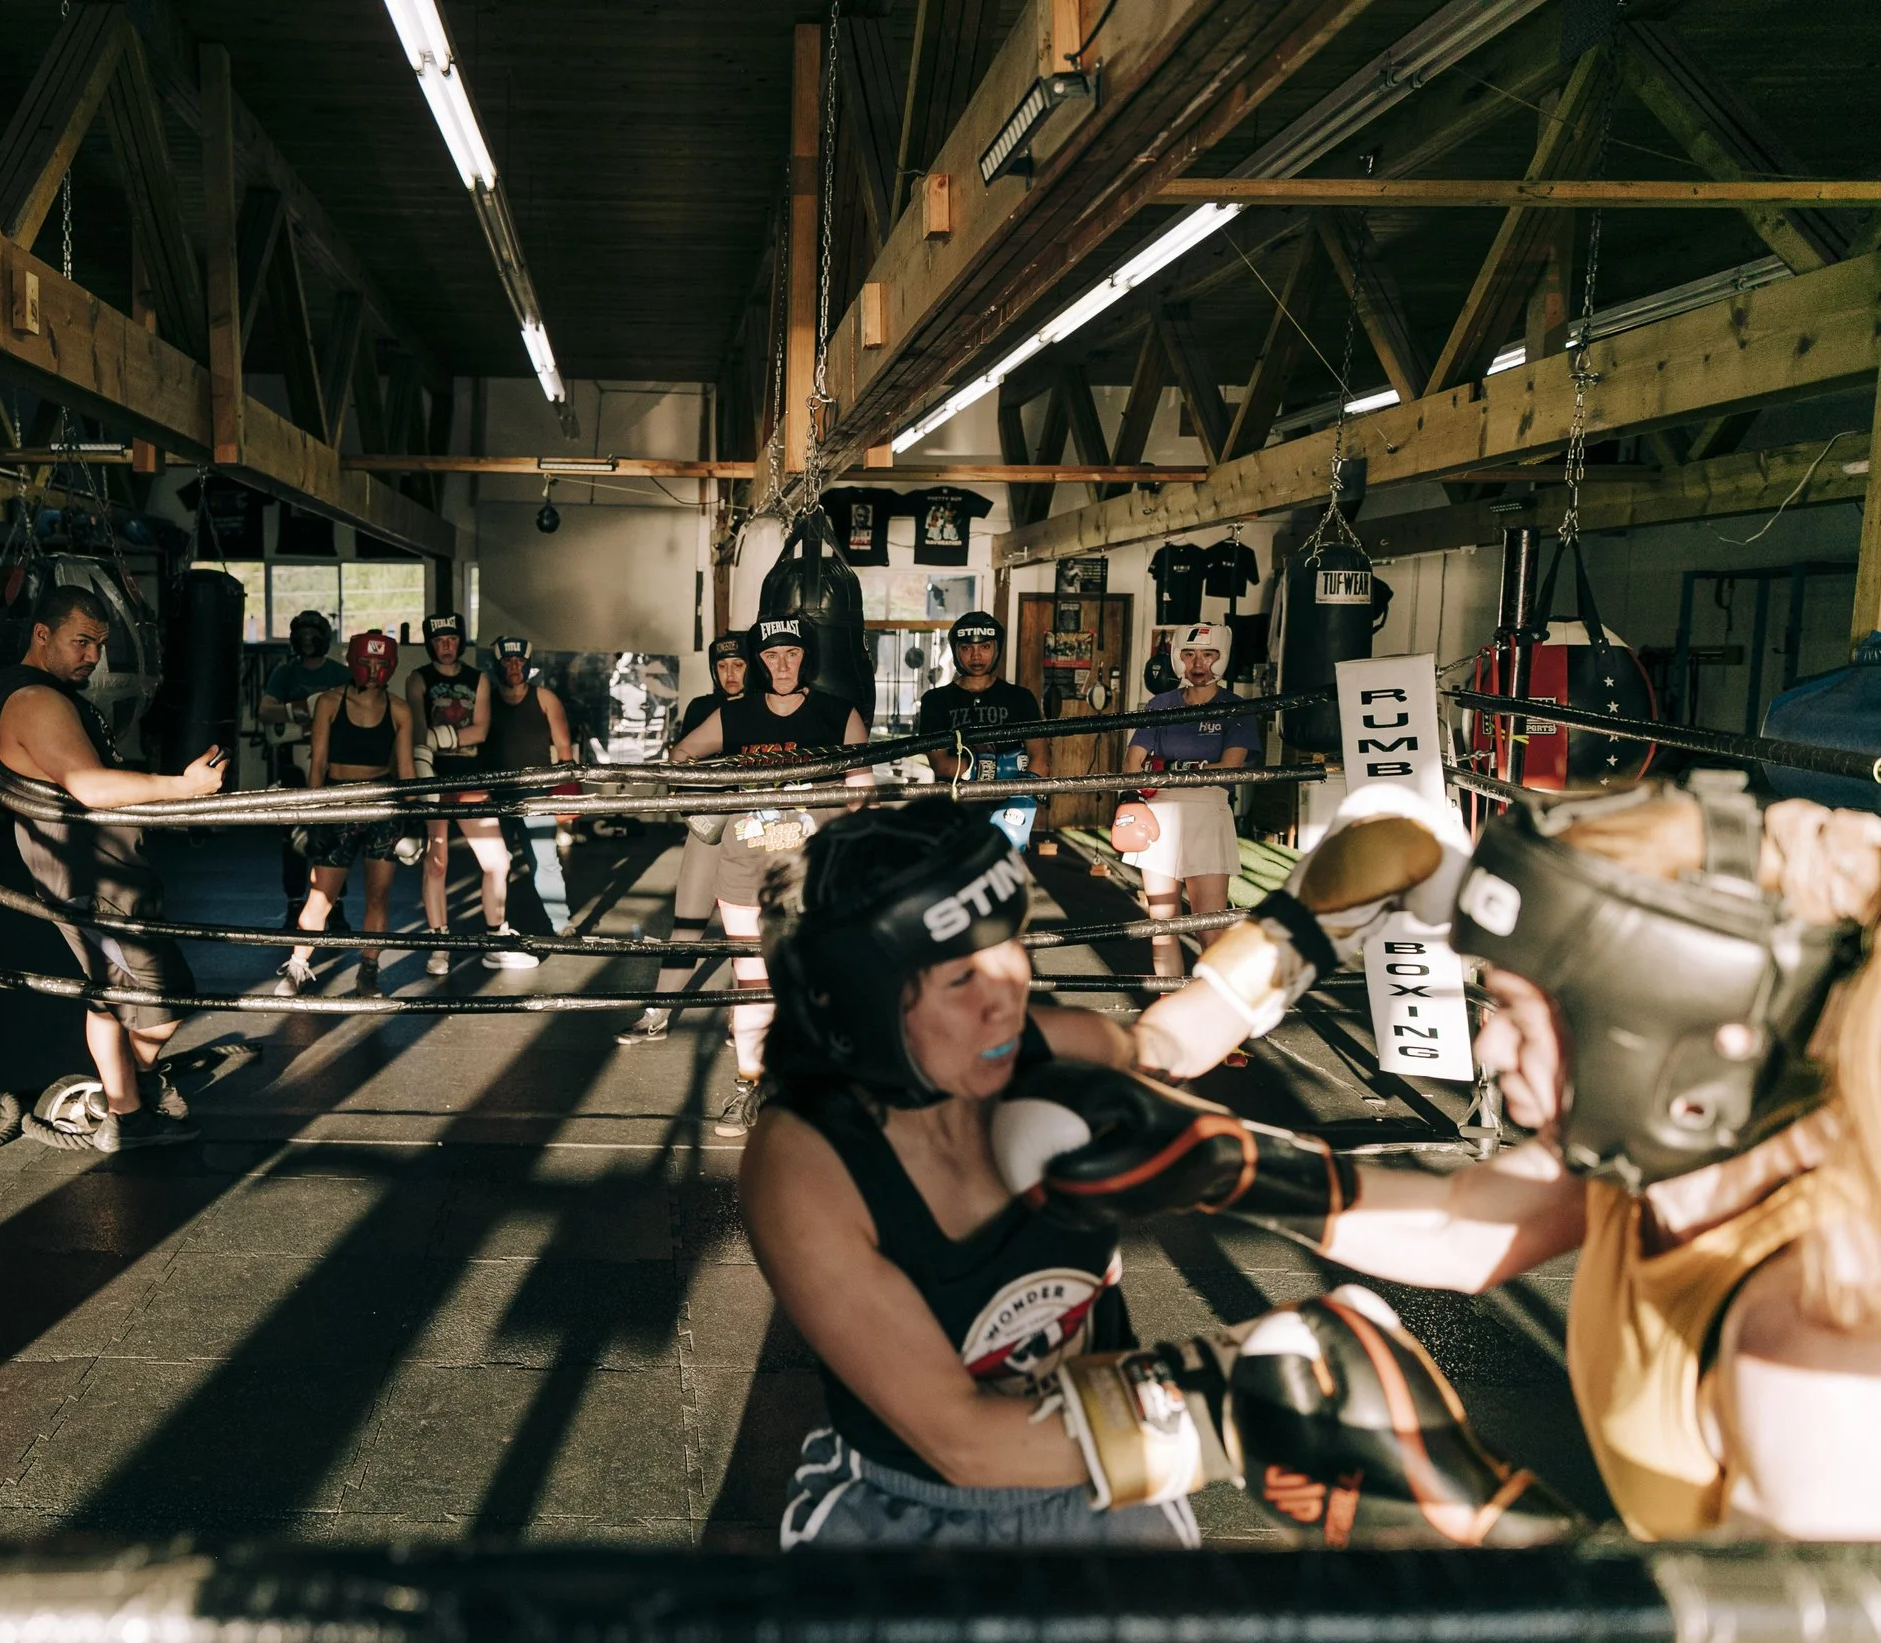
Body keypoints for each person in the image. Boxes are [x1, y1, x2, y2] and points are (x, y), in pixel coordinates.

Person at [1015, 772, 1881, 1542]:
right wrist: (1218, 1158)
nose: (1491, 1044)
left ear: (1660, 1034)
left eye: (1517, 1009)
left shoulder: (1811, 1352)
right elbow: (1461, 1227)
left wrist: (1478, 1516)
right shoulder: (1666, 1166)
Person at [739, 798, 1198, 1548]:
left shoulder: (1034, 1047)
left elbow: (1163, 1043)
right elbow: (965, 1438)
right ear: (865, 1004)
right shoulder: (806, 1161)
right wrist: (1239, 1418)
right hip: (904, 1514)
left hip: (1113, 1483)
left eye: (1011, 940)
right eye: (960, 976)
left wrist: (1309, 927)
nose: (1010, 990)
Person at [0, 585, 226, 1151]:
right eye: (80, 642)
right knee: (161, 1006)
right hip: (92, 881)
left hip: (104, 872)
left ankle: (124, 1103)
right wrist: (183, 788)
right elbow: (90, 786)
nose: (92, 656)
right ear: (40, 635)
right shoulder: (36, 701)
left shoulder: (47, 693)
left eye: (98, 645)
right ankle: (126, 1103)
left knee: (112, 993)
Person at [665, 618, 871, 1136]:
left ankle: (816, 1089)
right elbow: (680, 756)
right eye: (771, 656)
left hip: (810, 875)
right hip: (743, 871)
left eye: (791, 654)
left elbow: (861, 789)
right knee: (753, 985)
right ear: (759, 662)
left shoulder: (837, 714)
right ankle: (748, 1088)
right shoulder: (735, 714)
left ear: (807, 657)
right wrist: (710, 803)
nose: (781, 665)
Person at [619, 635, 750, 1044]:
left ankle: (742, 1017)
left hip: (753, 825)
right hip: (709, 825)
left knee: (744, 928)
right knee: (687, 921)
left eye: (739, 665)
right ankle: (657, 1012)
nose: (730, 674)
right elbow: (683, 763)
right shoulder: (700, 708)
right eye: (723, 666)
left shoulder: (765, 709)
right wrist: (692, 809)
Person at [276, 630, 416, 998]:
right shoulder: (329, 702)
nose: (373, 670)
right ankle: (297, 967)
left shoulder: (400, 709)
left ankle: (368, 972)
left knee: (378, 895)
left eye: (381, 663)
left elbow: (406, 771)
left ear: (391, 667)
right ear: (354, 663)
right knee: (321, 896)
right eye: (366, 662)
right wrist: (314, 815)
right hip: (338, 802)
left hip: (382, 801)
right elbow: (318, 763)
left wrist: (415, 820)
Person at [1121, 622, 1257, 980]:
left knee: (1209, 927)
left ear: (1222, 657)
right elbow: (1132, 763)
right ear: (1177, 658)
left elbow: (1229, 769)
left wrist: (1166, 766)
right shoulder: (1160, 704)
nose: (1199, 664)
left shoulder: (1235, 707)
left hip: (1209, 811)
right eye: (1190, 654)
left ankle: (1212, 1010)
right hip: (1161, 810)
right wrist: (1180, 771)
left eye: (1209, 654)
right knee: (1161, 925)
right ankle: (1169, 1003)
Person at [450, 636, 573, 966]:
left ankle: (561, 926)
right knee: (496, 863)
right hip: (494, 793)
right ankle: (496, 930)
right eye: (507, 662)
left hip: (536, 793)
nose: (514, 667)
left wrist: (564, 793)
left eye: (519, 661)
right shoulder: (486, 699)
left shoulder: (544, 698)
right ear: (498, 665)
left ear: (528, 664)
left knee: (544, 859)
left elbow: (564, 748)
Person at [405, 613, 511, 976]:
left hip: (470, 781)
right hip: (433, 779)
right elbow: (418, 729)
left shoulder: (477, 679)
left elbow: (480, 731)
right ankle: (440, 944)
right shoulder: (418, 678)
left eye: (451, 639)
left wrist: (436, 738)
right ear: (430, 643)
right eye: (439, 640)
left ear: (460, 640)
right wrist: (426, 752)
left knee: (498, 861)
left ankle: (496, 937)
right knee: (436, 864)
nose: (445, 645)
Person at [916, 611, 1049, 853]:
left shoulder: (1020, 698)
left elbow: (1040, 756)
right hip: (956, 807)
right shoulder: (936, 701)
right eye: (967, 648)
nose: (976, 655)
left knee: (1005, 873)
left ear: (996, 649)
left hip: (1008, 801)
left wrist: (1022, 797)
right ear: (956, 651)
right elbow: (941, 764)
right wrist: (1002, 767)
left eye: (985, 646)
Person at [256, 610, 350, 926]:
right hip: (293, 761)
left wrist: (305, 721)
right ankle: (296, 900)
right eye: (303, 634)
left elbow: (353, 713)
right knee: (293, 833)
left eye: (314, 633)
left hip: (332, 762)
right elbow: (266, 713)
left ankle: (334, 903)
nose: (309, 640)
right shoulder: (285, 674)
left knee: (335, 830)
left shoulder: (339, 673)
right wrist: (306, 712)